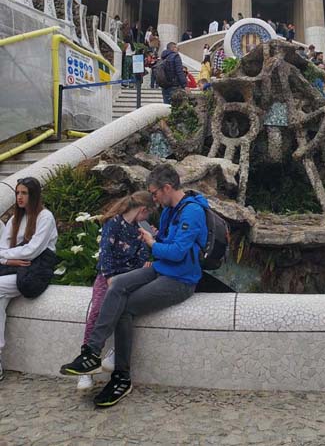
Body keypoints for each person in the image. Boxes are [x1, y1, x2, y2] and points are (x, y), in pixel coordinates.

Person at [60, 165, 208, 408]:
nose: (154, 198)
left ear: (167, 188)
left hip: (180, 279)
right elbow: (169, 243)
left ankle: (121, 377)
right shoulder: (172, 209)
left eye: (155, 192)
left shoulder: (191, 212)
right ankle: (91, 353)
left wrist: (152, 242)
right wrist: (157, 239)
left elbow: (179, 252)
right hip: (161, 268)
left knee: (125, 307)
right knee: (117, 285)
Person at [75, 191, 154, 392]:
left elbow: (140, 258)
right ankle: (86, 368)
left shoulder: (140, 231)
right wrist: (110, 277)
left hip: (127, 280)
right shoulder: (113, 223)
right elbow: (105, 253)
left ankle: (113, 352)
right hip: (107, 277)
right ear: (143, 210)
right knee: (97, 311)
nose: (147, 220)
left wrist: (144, 261)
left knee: (124, 309)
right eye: (148, 215)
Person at [0, 177, 57, 382]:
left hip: (34, 273)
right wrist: (11, 260)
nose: (19, 197)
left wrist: (8, 258)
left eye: (24, 193)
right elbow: (1, 250)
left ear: (34, 195)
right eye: (17, 193)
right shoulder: (16, 219)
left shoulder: (45, 217)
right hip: (15, 271)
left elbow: (33, 251)